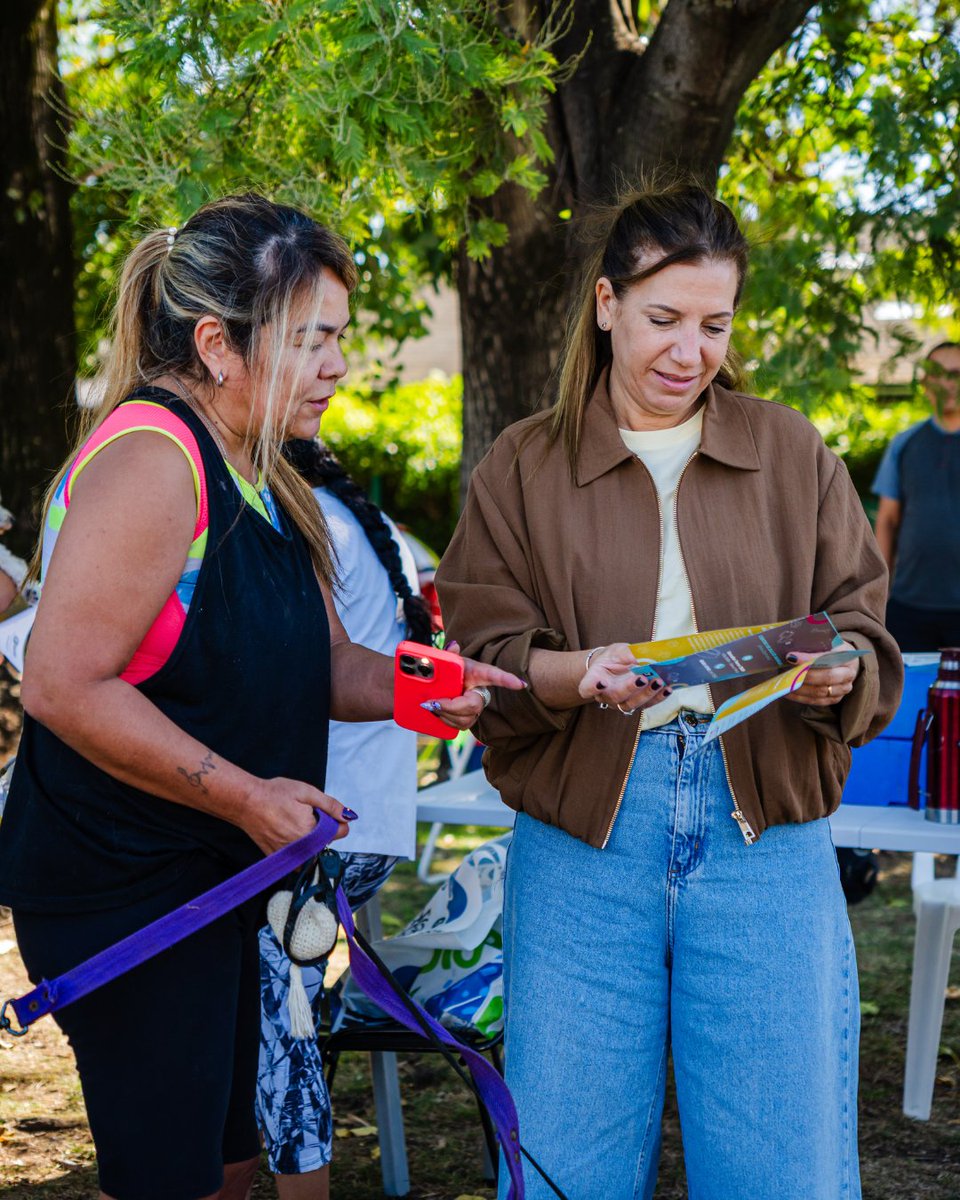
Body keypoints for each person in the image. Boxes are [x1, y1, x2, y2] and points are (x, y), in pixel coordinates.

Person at [0, 193, 521, 1200]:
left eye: (340, 338)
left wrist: (432, 689)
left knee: (236, 1163)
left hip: (226, 878)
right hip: (128, 887)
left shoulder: (264, 470)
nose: (337, 365)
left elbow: (326, 663)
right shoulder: (153, 460)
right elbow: (62, 685)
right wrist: (246, 795)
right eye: (311, 340)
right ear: (217, 344)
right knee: (178, 1177)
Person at [436, 181, 902, 1200]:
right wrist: (575, 673)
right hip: (584, 840)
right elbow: (483, 654)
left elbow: (863, 624)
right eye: (664, 319)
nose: (691, 352)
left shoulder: (791, 450)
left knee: (780, 1162)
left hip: (765, 833)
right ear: (606, 305)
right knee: (568, 1158)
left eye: (714, 325)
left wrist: (840, 672)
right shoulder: (522, 465)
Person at [257, 439, 428, 1199]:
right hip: (371, 821)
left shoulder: (300, 520)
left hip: (319, 826)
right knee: (285, 1019)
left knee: (282, 1028)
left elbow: (308, 667)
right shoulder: (366, 520)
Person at [873, 341, 960, 651]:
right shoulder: (904, 443)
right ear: (925, 384)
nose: (947, 383)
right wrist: (879, 593)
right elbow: (887, 520)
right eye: (937, 374)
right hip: (908, 605)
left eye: (955, 374)